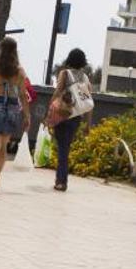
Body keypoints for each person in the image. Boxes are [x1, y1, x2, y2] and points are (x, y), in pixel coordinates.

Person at [0, 37, 31, 193]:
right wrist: (27, 115)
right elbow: (23, 95)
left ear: (1, 50)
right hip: (12, 108)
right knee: (3, 148)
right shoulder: (20, 71)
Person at [47, 48, 92, 191]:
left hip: (63, 113)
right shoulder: (85, 78)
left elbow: (58, 91)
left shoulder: (65, 74)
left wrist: (49, 111)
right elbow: (88, 101)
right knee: (65, 147)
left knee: (62, 148)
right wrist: (87, 124)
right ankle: (61, 180)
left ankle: (61, 181)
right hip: (76, 117)